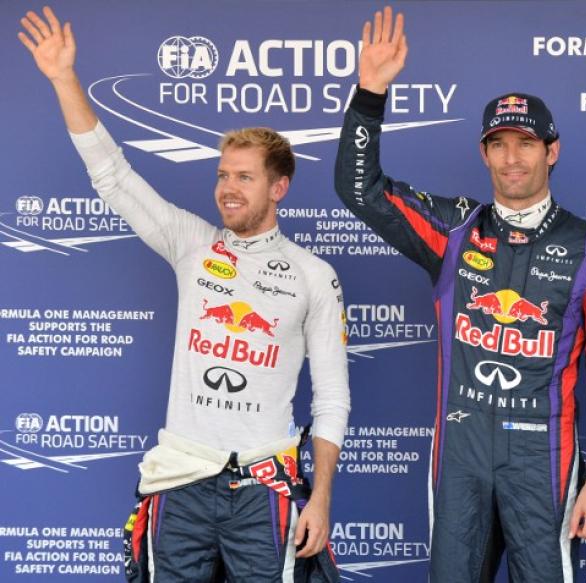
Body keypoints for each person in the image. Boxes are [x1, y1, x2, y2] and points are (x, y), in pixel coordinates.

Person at [18, 7, 349, 582]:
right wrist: (64, 79)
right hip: (180, 479)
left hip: (264, 488)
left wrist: (319, 499)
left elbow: (332, 398)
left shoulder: (313, 274)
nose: (227, 188)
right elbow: (113, 176)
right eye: (222, 175)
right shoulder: (193, 244)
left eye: (244, 177)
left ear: (279, 187)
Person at [334, 7, 586, 582]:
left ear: (552, 150)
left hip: (544, 460)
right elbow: (361, 191)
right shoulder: (454, 229)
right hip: (462, 455)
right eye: (498, 144)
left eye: (526, 143)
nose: (512, 158)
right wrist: (370, 95)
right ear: (484, 153)